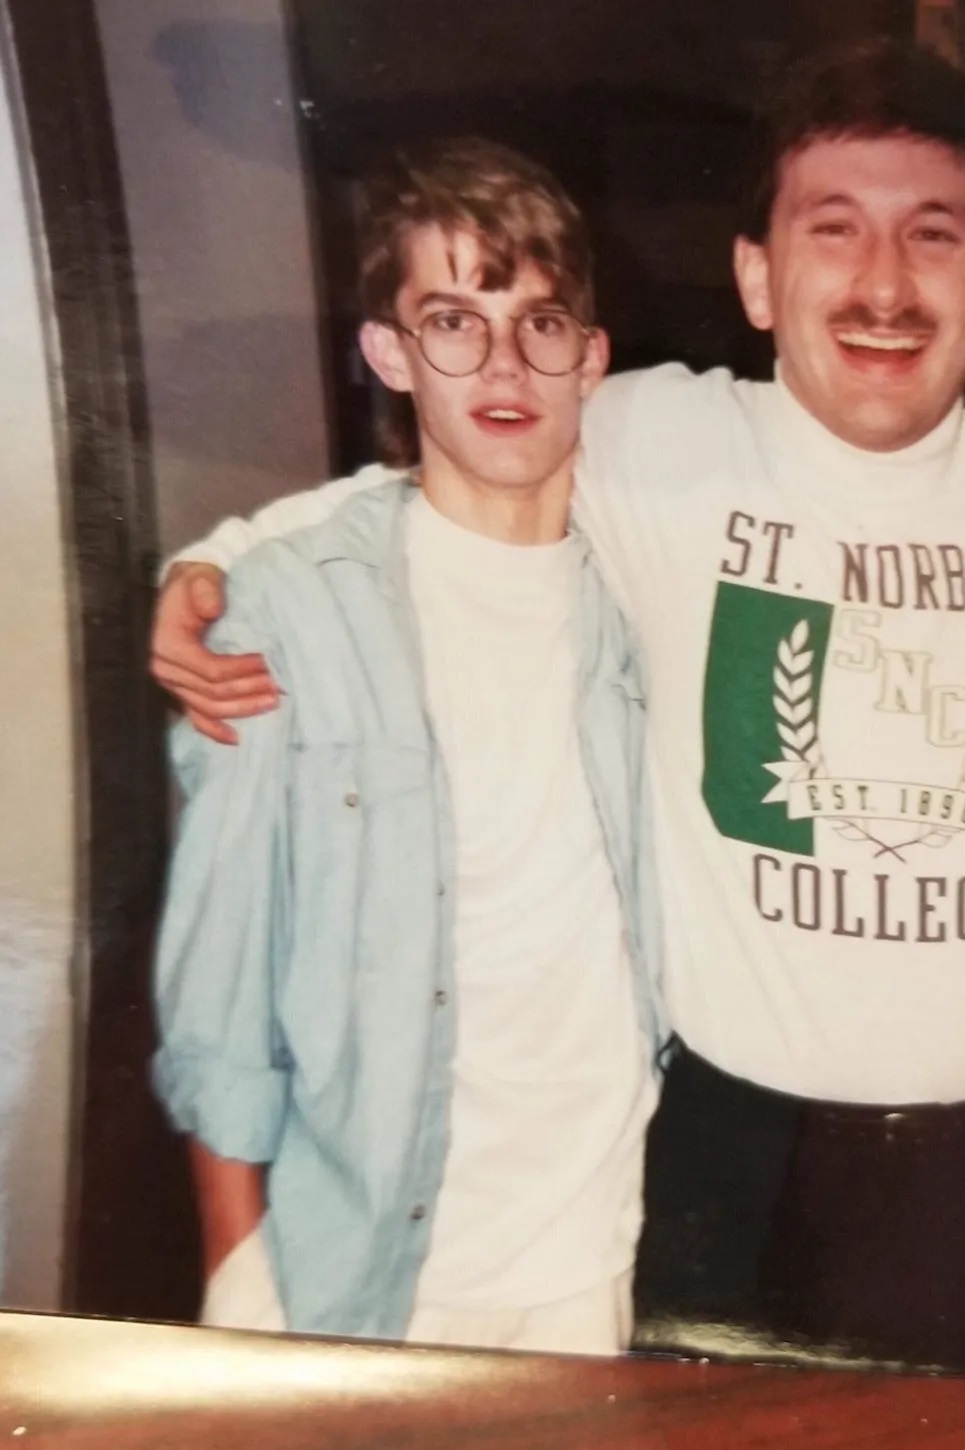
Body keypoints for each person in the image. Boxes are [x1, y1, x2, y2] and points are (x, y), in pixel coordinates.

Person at [152, 38, 965, 1377]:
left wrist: (213, 557)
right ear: (756, 276)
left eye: (932, 237)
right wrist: (219, 561)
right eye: (832, 230)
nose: (880, 281)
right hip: (717, 1156)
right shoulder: (655, 443)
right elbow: (453, 460)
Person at [151, 136, 667, 1353]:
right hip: (353, 1264)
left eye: (540, 323)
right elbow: (219, 983)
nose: (501, 362)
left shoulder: (646, 591)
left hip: (588, 1257)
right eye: (452, 319)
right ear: (390, 351)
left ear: (591, 360)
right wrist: (240, 1281)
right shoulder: (288, 606)